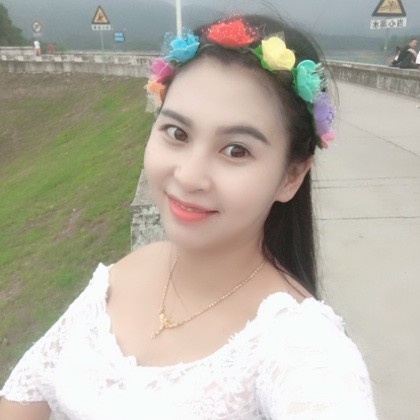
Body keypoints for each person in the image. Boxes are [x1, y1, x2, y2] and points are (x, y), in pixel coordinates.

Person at [0, 14, 378, 419]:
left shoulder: (301, 344)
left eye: (236, 150)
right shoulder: (122, 275)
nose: (189, 176)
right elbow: (21, 398)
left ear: (291, 176)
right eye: (177, 133)